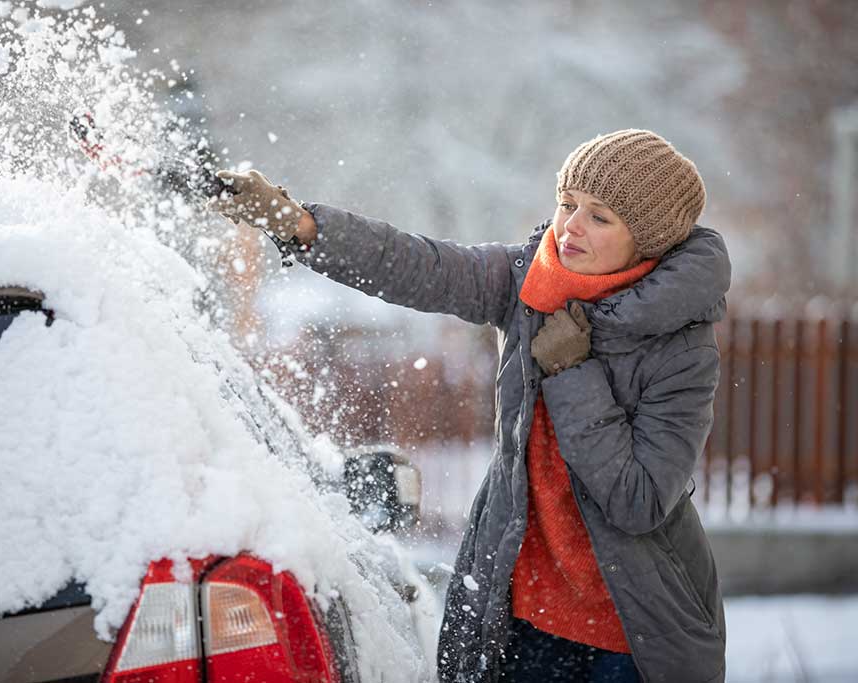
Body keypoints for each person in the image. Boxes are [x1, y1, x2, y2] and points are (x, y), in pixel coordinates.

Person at [209, 129, 730, 683]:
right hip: (521, 621)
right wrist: (300, 225)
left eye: (600, 217)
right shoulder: (529, 284)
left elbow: (638, 501)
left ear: (647, 240)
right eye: (568, 203)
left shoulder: (682, 350)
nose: (571, 226)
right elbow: (418, 266)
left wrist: (572, 371)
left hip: (630, 638)